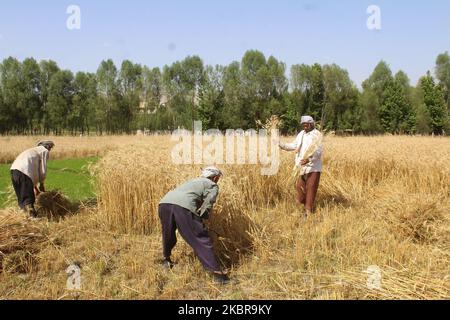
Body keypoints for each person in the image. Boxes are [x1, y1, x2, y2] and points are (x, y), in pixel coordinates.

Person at [158, 166, 229, 284]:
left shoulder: (192, 181)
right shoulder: (212, 185)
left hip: (164, 203)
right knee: (200, 238)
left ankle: (166, 259)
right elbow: (209, 202)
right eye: (218, 178)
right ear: (215, 177)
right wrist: (202, 217)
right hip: (183, 207)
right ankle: (217, 275)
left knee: (168, 233)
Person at [279, 116, 323, 218]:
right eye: (303, 124)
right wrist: (280, 144)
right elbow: (294, 145)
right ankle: (299, 209)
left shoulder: (317, 135)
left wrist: (309, 159)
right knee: (300, 188)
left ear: (311, 124)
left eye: (306, 124)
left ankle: (308, 213)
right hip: (301, 167)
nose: (304, 126)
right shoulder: (301, 134)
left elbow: (318, 151)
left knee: (311, 189)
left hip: (313, 168)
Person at [10, 141, 55, 218]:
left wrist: (36, 189)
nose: (50, 150)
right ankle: (32, 217)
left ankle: (25, 216)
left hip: (14, 171)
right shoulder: (44, 151)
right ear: (48, 147)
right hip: (23, 172)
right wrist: (41, 184)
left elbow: (30, 173)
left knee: (22, 196)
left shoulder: (32, 151)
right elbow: (42, 170)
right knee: (28, 198)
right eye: (50, 148)